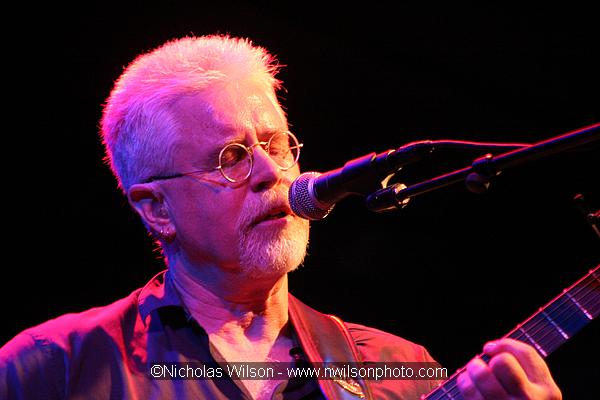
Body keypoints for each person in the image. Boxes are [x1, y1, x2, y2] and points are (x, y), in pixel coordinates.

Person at [0, 35, 561, 400]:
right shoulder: (56, 368)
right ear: (156, 208)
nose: (271, 172)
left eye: (277, 144)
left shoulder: (397, 370)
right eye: (232, 157)